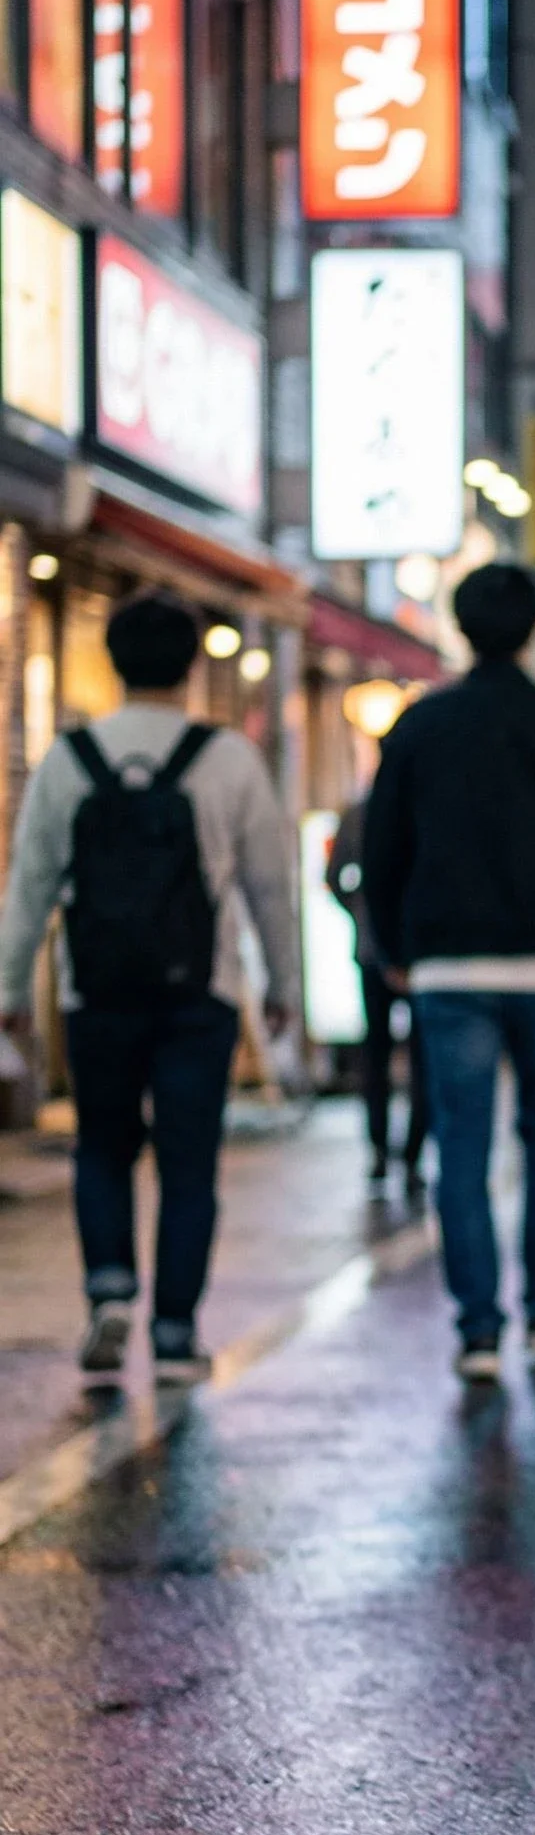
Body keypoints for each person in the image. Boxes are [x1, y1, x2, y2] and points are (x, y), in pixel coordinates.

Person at [0, 591, 298, 1382]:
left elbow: (28, 884)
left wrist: (9, 992)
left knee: (102, 1145)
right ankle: (173, 1334)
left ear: (115, 661)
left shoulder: (71, 758)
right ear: (193, 664)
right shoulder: (227, 757)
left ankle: (110, 1287)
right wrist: (284, 984)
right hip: (201, 993)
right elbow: (271, 885)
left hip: (93, 992)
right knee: (189, 1160)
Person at [364, 563, 535, 1381]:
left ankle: (479, 1330)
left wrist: (395, 953)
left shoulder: (418, 726)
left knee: (462, 1147)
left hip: (449, 969)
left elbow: (383, 849)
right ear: (532, 629)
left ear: (459, 627)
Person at [329, 789, 428, 1194]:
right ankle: (411, 1155)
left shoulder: (358, 812)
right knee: (423, 1056)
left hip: (373, 948)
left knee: (376, 1051)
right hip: (420, 949)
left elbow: (335, 877)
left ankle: (379, 1150)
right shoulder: (425, 803)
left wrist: (359, 911)